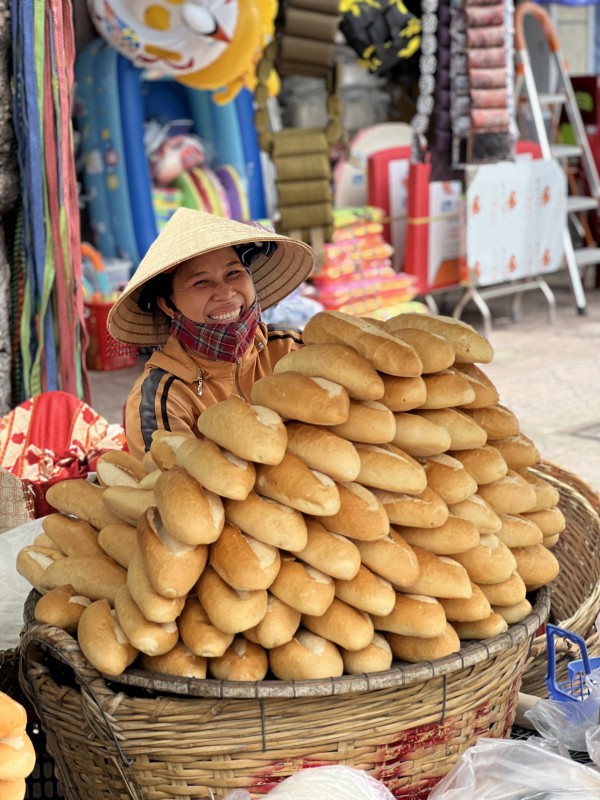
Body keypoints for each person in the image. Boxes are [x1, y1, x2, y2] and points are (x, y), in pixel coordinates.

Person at [107, 208, 315, 460]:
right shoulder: (163, 397)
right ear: (167, 305)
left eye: (233, 273)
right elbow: (173, 488)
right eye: (201, 282)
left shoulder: (290, 348)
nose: (226, 293)